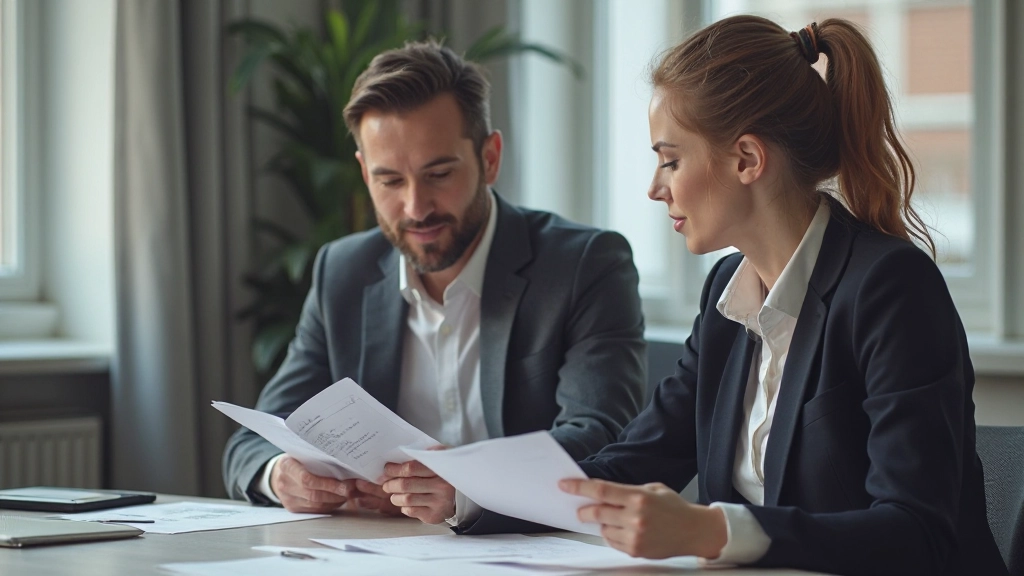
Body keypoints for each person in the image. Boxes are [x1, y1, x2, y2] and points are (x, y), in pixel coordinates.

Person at [438, 15, 1007, 575]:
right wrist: (469, 496)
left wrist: (710, 530)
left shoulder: (891, 289)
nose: (656, 188)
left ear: (747, 160)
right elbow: (634, 459)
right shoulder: (725, 296)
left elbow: (916, 533)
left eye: (671, 159)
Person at [222, 40, 646, 529]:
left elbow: (602, 436)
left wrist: (466, 486)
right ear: (364, 172)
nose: (416, 207)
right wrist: (282, 476)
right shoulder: (343, 271)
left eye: (438, 173)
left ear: (490, 158)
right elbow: (253, 442)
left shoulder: (584, 265)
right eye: (390, 181)